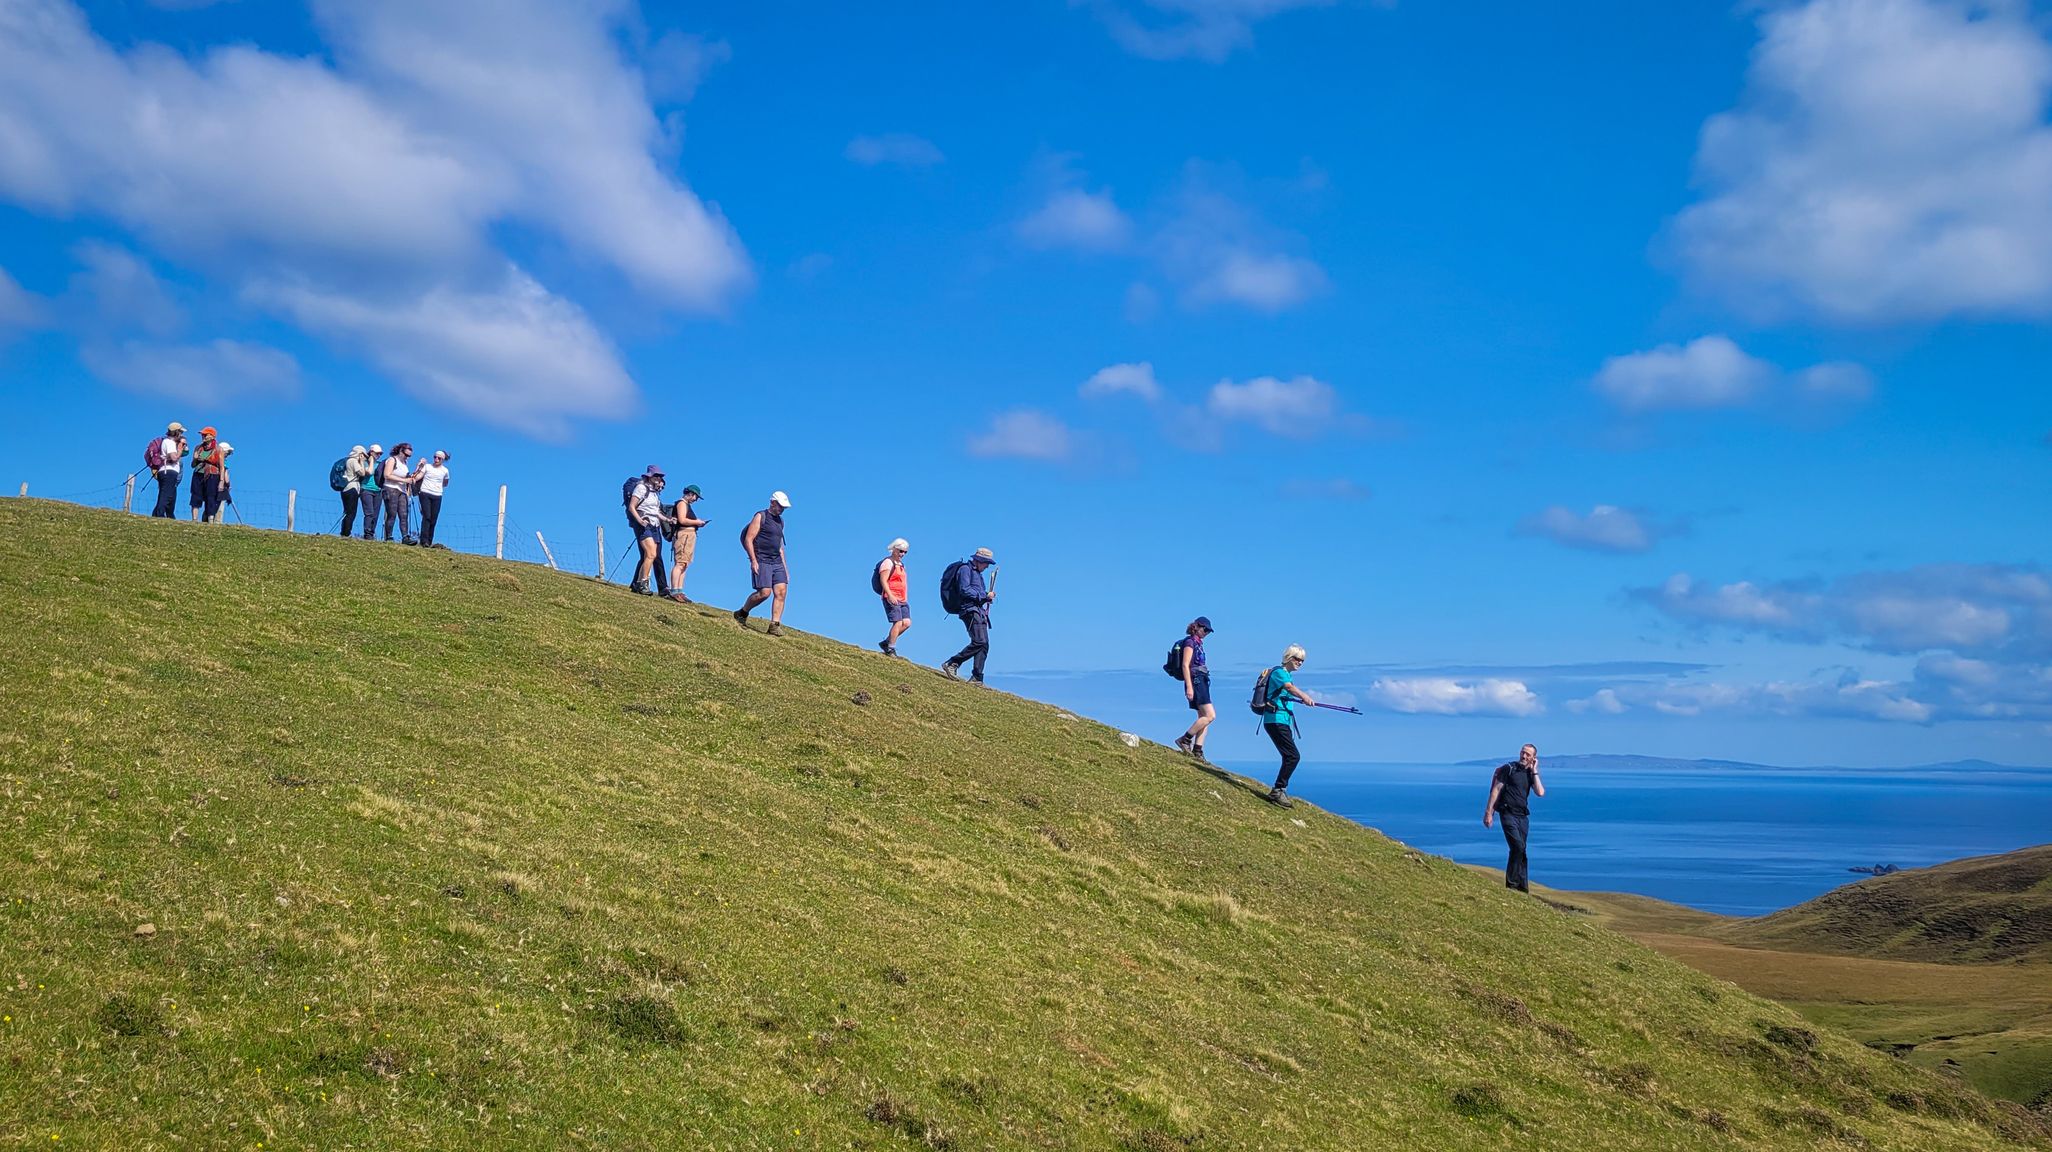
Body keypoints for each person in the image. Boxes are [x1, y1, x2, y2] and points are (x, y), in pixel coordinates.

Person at [1260, 645, 1317, 807]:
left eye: (1302, 660)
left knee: (1289, 756)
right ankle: (1278, 790)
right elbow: (1289, 688)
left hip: (1282, 720)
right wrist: (1304, 696)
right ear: (1289, 658)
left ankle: (1279, 790)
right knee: (1293, 756)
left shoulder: (1286, 675)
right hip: (1276, 720)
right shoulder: (1279, 673)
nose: (1300, 663)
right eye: (1297, 659)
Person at [1484, 744, 1545, 893]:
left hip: (1522, 816)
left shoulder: (1531, 773)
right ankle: (1511, 885)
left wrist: (1535, 771)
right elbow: (1496, 790)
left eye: (1528, 755)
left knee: (1521, 850)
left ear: (1533, 758)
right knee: (1517, 847)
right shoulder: (1509, 769)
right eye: (1523, 753)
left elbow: (1540, 792)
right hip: (1507, 813)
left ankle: (1522, 888)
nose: (1524, 756)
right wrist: (1489, 813)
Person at [733, 491, 792, 635]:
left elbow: (780, 547)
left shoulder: (781, 522)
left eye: (784, 507)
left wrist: (785, 569)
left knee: (781, 591)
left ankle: (774, 625)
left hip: (777, 561)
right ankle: (742, 612)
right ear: (772, 502)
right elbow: (749, 539)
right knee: (764, 593)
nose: (782, 509)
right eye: (780, 506)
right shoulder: (760, 516)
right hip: (762, 559)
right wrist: (753, 560)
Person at [941, 548, 996, 683]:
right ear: (979, 560)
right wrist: (985, 595)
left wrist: (986, 598)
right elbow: (964, 590)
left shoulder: (978, 574)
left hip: (979, 611)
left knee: (984, 644)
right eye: (986, 563)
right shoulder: (965, 569)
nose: (987, 566)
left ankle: (977, 677)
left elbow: (974, 593)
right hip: (970, 611)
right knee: (979, 641)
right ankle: (952, 663)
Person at [1172, 617, 1217, 761]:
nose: (1206, 633)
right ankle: (1185, 739)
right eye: (1205, 629)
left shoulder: (1198, 643)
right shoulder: (1190, 642)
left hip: (1201, 680)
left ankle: (1198, 750)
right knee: (1210, 716)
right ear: (1196, 626)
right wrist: (1189, 687)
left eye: (1208, 631)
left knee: (1203, 717)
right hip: (1196, 681)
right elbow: (1185, 665)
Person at [624, 466, 669, 596]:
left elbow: (655, 512)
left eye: (660, 477)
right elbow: (632, 506)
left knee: (650, 555)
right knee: (650, 554)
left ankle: (639, 583)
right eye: (657, 476)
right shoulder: (641, 488)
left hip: (654, 525)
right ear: (650, 476)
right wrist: (639, 520)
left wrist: (667, 519)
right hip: (644, 525)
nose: (659, 479)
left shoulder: (654, 493)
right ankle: (643, 582)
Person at [664, 484, 708, 602]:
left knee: (685, 564)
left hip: (689, 535)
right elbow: (682, 519)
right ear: (690, 494)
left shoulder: (686, 505)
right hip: (684, 535)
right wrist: (697, 522)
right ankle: (674, 591)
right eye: (695, 497)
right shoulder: (682, 503)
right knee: (680, 563)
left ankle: (679, 590)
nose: (695, 499)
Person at [876, 539, 911, 656]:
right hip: (891, 596)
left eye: (905, 552)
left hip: (902, 598)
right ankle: (891, 648)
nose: (903, 554)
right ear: (894, 549)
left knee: (906, 623)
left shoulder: (901, 565)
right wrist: (890, 595)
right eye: (901, 551)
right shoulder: (887, 563)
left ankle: (886, 642)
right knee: (898, 622)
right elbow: (883, 580)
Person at [380, 442, 418, 544]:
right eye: (406, 455)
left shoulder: (405, 463)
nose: (407, 457)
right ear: (401, 451)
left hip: (402, 491)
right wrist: (404, 480)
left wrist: (410, 479)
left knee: (404, 514)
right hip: (390, 488)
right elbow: (387, 475)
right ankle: (388, 537)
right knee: (391, 514)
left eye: (409, 456)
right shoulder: (392, 460)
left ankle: (405, 537)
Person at [190, 427, 229, 523]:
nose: (203, 436)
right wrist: (195, 459)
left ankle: (210, 519)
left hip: (212, 475)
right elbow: (193, 465)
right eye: (202, 435)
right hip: (198, 473)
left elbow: (222, 467)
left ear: (212, 436)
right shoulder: (198, 448)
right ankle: (194, 519)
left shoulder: (218, 449)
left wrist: (221, 481)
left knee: (210, 497)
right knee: (195, 495)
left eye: (205, 435)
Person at [415, 450, 451, 548]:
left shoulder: (445, 471)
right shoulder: (427, 467)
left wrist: (437, 486)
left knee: (433, 518)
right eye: (435, 457)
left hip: (437, 495)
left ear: (443, 460)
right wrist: (418, 468)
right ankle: (423, 541)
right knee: (426, 516)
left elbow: (446, 483)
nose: (436, 459)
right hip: (425, 493)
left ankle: (429, 541)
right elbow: (418, 477)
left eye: (439, 458)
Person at [150, 422, 186, 518]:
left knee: (166, 494)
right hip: (169, 471)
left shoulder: (166, 441)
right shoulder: (170, 442)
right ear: (176, 432)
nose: (181, 434)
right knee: (166, 495)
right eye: (180, 432)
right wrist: (180, 450)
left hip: (164, 471)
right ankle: (159, 515)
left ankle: (162, 515)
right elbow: (174, 458)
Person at [338, 445, 373, 537]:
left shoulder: (349, 461)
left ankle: (344, 532)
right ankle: (346, 533)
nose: (364, 457)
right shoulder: (353, 461)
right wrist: (361, 462)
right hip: (351, 488)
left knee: (348, 511)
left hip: (346, 488)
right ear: (359, 454)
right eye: (363, 455)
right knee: (351, 512)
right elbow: (362, 473)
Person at [358, 444, 384, 540]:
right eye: (377, 453)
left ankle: (372, 533)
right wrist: (371, 460)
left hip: (378, 490)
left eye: (380, 454)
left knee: (375, 514)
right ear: (371, 452)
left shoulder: (381, 464)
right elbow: (370, 472)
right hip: (366, 489)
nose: (379, 455)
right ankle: (367, 533)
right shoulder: (364, 463)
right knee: (369, 513)